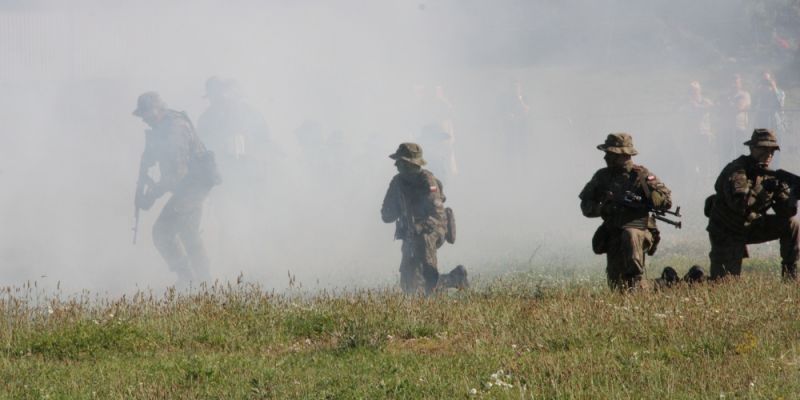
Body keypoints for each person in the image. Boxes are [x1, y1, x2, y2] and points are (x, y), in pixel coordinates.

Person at [133, 91, 219, 286]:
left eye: (146, 114)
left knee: (162, 232)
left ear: (157, 111)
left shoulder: (174, 129)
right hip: (190, 186)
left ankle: (189, 279)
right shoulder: (163, 127)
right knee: (189, 233)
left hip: (193, 186)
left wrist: (152, 194)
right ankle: (202, 282)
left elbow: (176, 175)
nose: (144, 120)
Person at [579, 133, 673, 290]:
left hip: (639, 230)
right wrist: (604, 207)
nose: (606, 158)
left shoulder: (642, 176)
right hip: (613, 232)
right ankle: (664, 282)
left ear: (623, 155)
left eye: (610, 154)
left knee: (633, 283)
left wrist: (649, 198)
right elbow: (586, 206)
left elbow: (666, 201)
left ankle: (662, 281)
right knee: (618, 288)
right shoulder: (602, 177)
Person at [705, 128, 799, 280]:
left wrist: (791, 195)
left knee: (791, 224)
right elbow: (740, 205)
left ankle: (790, 275)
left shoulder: (769, 174)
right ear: (752, 148)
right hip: (727, 231)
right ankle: (694, 277)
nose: (768, 154)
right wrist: (764, 190)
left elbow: (786, 213)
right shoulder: (737, 171)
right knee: (724, 283)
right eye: (763, 149)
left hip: (750, 225)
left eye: (772, 151)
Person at [381, 143, 449, 295]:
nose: (397, 165)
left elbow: (437, 215)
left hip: (434, 229)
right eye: (397, 162)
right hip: (410, 233)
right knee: (409, 285)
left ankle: (431, 296)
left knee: (426, 262)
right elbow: (386, 215)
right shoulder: (397, 182)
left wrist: (420, 226)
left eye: (401, 162)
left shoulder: (427, 181)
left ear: (410, 164)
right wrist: (399, 207)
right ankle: (454, 278)